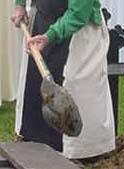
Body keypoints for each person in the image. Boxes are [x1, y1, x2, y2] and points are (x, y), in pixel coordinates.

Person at [12, 0, 115, 159]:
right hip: (43, 21)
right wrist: (20, 4)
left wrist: (50, 35)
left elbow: (79, 12)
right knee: (34, 90)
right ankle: (33, 144)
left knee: (76, 91)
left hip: (77, 32)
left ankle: (82, 153)